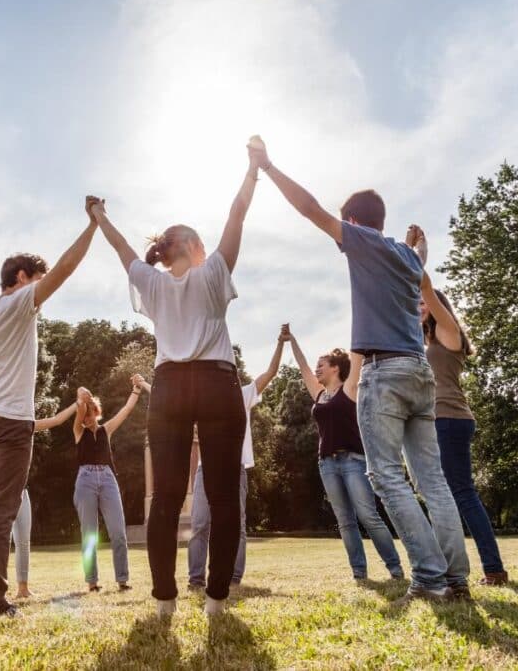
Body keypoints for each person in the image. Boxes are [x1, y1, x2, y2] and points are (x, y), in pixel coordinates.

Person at [251, 137, 469, 602]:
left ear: (352, 223)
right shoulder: (408, 258)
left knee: (386, 476)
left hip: (384, 372)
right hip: (419, 372)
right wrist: (419, 245)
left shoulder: (363, 242)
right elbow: (420, 265)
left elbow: (310, 208)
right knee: (433, 480)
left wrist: (268, 166)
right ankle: (456, 578)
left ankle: (429, 578)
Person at [86, 140, 259, 617]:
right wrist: (252, 169)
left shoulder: (154, 281)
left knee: (164, 497)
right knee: (225, 498)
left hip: (169, 389)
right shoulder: (212, 272)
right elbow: (237, 215)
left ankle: (165, 599)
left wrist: (99, 214)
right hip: (217, 383)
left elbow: (122, 248)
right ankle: (217, 600)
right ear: (192, 246)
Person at [0, 208, 99, 620]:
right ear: (25, 277)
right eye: (38, 279)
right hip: (12, 422)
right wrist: (93, 225)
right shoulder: (21, 303)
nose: (43, 290)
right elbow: (65, 269)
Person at [411, 227, 507, 586]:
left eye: (425, 305)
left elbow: (423, 287)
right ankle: (451, 564)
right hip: (439, 422)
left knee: (462, 493)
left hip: (450, 420)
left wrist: (419, 251)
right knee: (444, 494)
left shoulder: (450, 333)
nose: (420, 308)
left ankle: (494, 570)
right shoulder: (426, 342)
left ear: (438, 307)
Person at [283, 325, 404, 581]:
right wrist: (291, 339)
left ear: (335, 367)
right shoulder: (319, 395)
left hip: (354, 461)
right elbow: (302, 365)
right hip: (327, 464)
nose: (316, 369)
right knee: (345, 521)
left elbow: (356, 356)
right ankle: (359, 573)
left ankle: (395, 568)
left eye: (322, 364)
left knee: (368, 516)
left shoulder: (350, 389)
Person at [186, 331, 286, 590]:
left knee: (237, 526)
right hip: (204, 469)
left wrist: (279, 343)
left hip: (234, 468)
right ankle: (195, 579)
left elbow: (271, 373)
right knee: (199, 524)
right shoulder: (201, 401)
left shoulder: (243, 395)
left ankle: (233, 578)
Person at [71, 377, 146, 592]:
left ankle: (122, 580)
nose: (86, 418)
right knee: (89, 534)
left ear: (96, 412)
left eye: (89, 413)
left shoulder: (106, 430)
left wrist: (136, 390)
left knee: (118, 532)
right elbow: (81, 392)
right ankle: (92, 582)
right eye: (83, 414)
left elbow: (127, 409)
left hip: (107, 479)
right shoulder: (78, 431)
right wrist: (82, 396)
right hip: (85, 480)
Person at [10, 401, 79, 600]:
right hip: (0, 493)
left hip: (21, 492)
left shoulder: (25, 425)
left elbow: (56, 420)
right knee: (1, 541)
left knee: (23, 542)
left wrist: (76, 404)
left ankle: (23, 588)